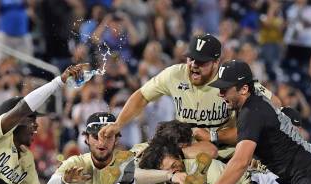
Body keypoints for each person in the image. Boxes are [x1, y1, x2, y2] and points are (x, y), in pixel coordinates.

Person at [98, 34, 279, 151]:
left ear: (216, 63)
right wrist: (118, 124)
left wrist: (216, 136)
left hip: (223, 149)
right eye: (191, 58)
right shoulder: (175, 74)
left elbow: (275, 103)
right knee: (137, 155)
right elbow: (142, 95)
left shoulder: (232, 77)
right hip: (183, 144)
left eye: (201, 62)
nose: (193, 65)